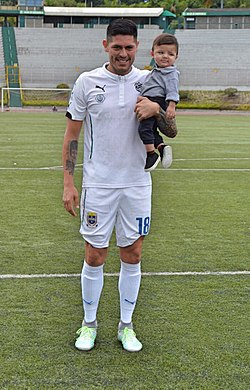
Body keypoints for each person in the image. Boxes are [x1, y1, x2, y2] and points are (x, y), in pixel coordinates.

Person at [62, 19, 168, 353]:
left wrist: (158, 111)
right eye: (117, 47)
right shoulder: (87, 82)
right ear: (105, 45)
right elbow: (72, 135)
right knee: (95, 255)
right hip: (98, 185)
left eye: (129, 47)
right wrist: (68, 182)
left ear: (138, 47)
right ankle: (89, 325)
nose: (123, 53)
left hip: (137, 183)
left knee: (132, 253)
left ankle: (126, 326)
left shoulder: (150, 81)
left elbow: (173, 129)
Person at [138, 33, 179, 172]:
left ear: (176, 57)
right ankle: (161, 147)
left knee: (144, 129)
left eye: (170, 54)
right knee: (151, 130)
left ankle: (151, 154)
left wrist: (171, 106)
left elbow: (173, 90)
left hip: (157, 101)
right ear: (152, 53)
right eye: (160, 52)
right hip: (150, 100)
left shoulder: (170, 73)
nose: (165, 56)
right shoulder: (156, 71)